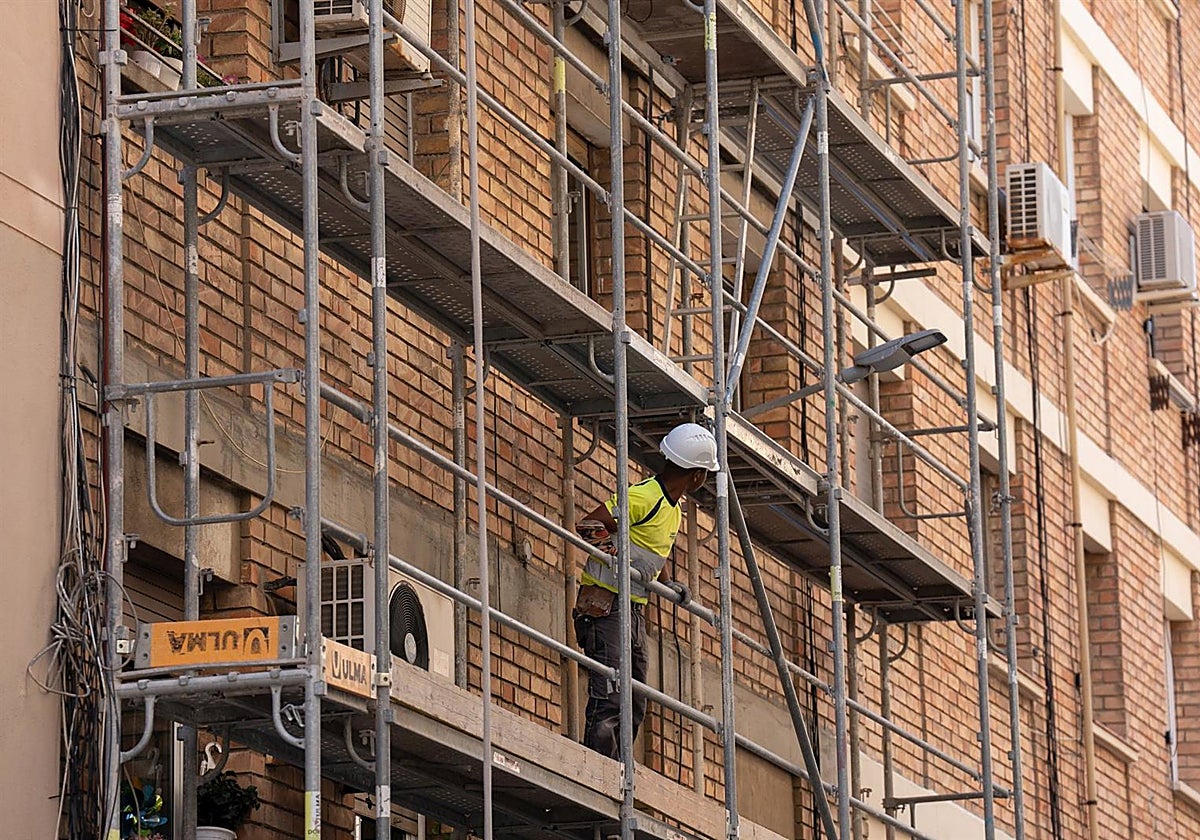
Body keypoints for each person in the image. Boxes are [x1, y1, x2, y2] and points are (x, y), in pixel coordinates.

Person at [572, 422, 719, 759]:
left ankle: (619, 767)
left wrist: (667, 582)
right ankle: (599, 767)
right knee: (610, 692)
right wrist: (617, 557)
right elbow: (589, 526)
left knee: (635, 698)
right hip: (605, 606)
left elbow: (653, 551)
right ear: (697, 475)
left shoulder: (673, 509)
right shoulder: (645, 496)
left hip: (633, 608)